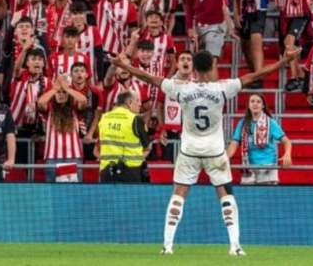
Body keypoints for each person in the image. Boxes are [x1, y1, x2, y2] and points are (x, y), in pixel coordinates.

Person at [111, 46, 301, 256]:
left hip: (189, 150)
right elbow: (255, 75)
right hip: (215, 151)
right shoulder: (222, 88)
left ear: (194, 68)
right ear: (211, 66)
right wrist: (284, 62)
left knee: (178, 195)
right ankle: (235, 246)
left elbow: (148, 77)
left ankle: (167, 246)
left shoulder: (180, 88)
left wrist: (122, 65)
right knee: (226, 196)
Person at [227, 94, 292, 185]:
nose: (255, 104)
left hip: (268, 167)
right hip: (248, 166)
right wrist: (225, 158)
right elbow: (234, 143)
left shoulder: (270, 122)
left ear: (263, 106)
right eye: (252, 101)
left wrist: (287, 154)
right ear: (248, 105)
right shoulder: (242, 123)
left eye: (258, 102)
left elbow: (286, 141)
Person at [37, 75, 88, 182]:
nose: (61, 95)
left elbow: (83, 100)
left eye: (64, 93)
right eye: (58, 93)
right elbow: (41, 102)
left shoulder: (75, 109)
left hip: (73, 157)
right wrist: (55, 88)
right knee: (52, 193)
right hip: (52, 157)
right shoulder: (49, 109)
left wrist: (67, 88)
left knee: (74, 192)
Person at [96, 91, 151, 183]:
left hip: (106, 171)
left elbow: (100, 144)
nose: (140, 104)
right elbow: (147, 146)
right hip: (130, 172)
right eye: (137, 101)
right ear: (129, 102)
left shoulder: (104, 118)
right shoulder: (135, 119)